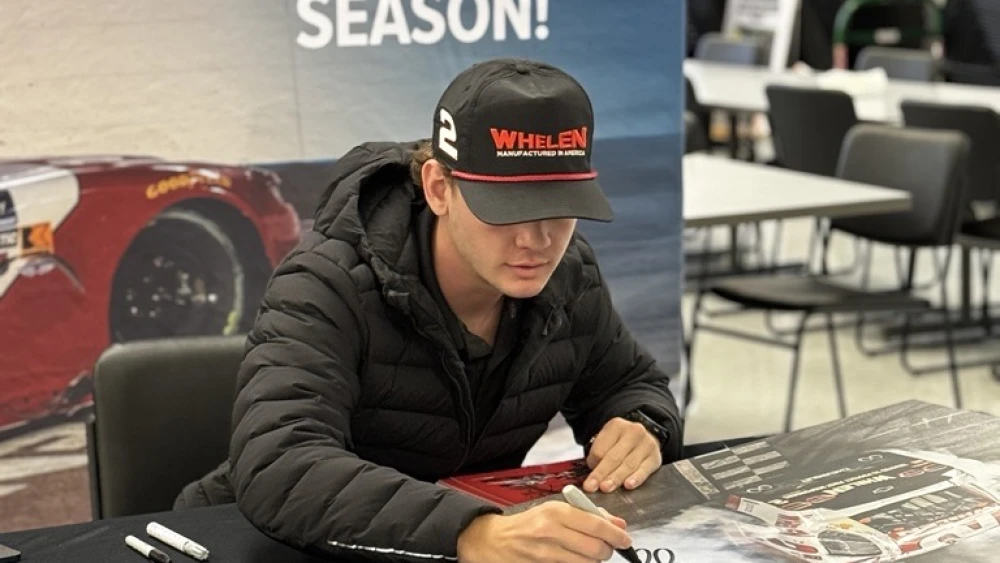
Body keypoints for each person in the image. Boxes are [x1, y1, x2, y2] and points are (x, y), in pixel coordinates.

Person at [177, 58, 683, 563]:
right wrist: (470, 532)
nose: (537, 240)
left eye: (559, 207)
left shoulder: (570, 274)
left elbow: (630, 385)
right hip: (238, 542)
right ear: (439, 187)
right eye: (506, 210)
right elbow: (280, 463)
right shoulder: (326, 283)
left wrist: (641, 426)